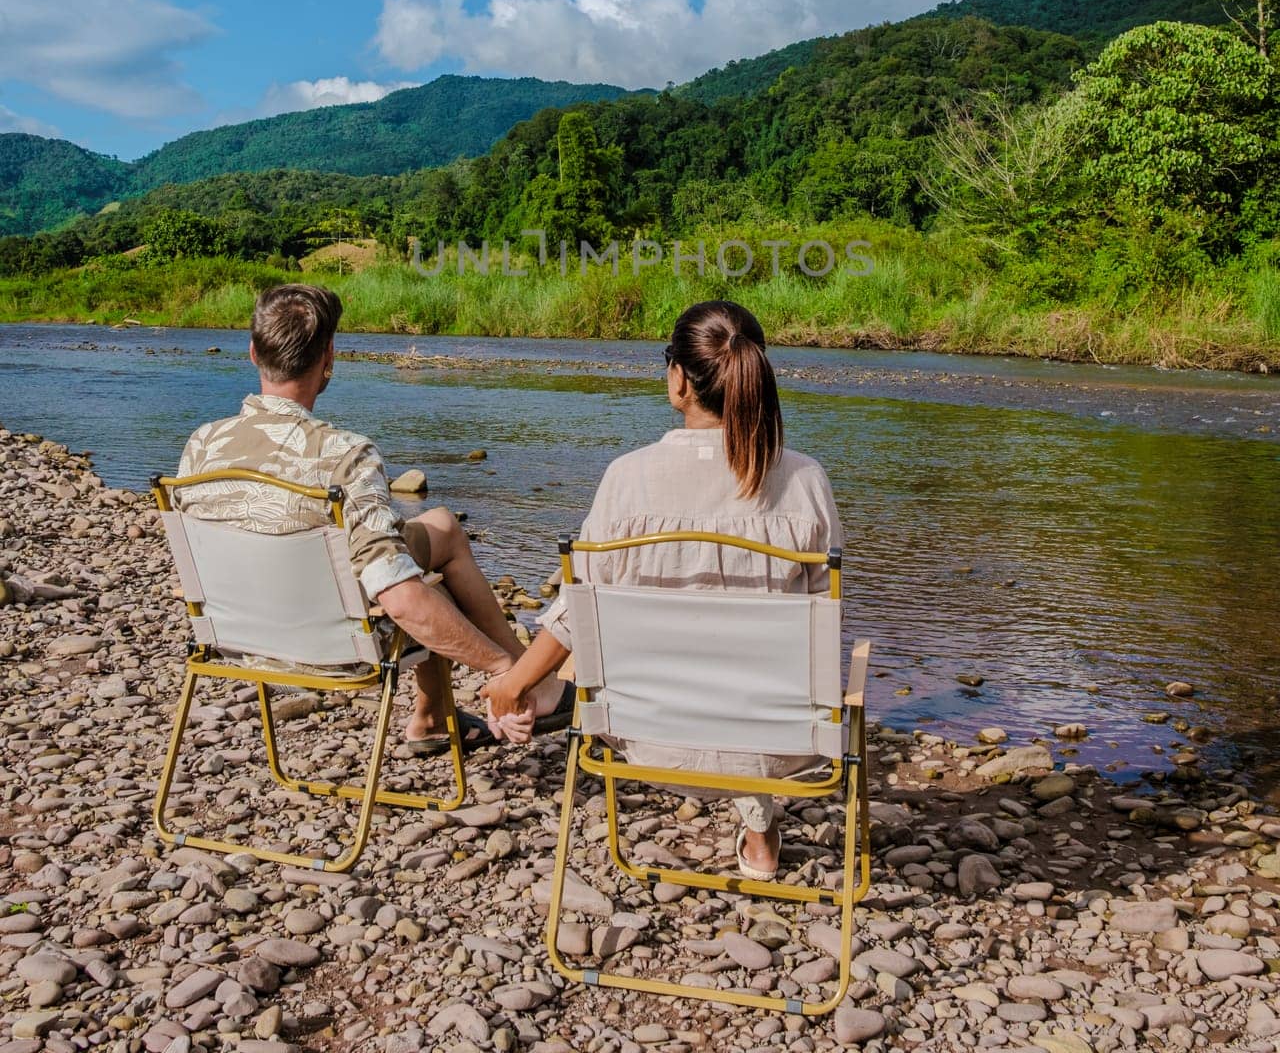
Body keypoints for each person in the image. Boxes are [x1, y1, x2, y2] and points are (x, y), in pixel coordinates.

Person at [483, 298, 842, 879]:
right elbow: (824, 622)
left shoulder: (627, 479)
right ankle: (759, 826)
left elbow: (580, 610)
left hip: (645, 743)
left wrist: (514, 683)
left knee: (600, 636)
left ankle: (547, 694)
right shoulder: (804, 481)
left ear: (678, 380)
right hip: (781, 750)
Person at [176, 282, 570, 752]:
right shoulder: (345, 456)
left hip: (234, 637)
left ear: (253, 353)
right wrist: (503, 671)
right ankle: (505, 690)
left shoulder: (202, 445)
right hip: (329, 648)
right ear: (329, 360)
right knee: (424, 583)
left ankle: (439, 717)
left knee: (441, 526)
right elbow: (401, 600)